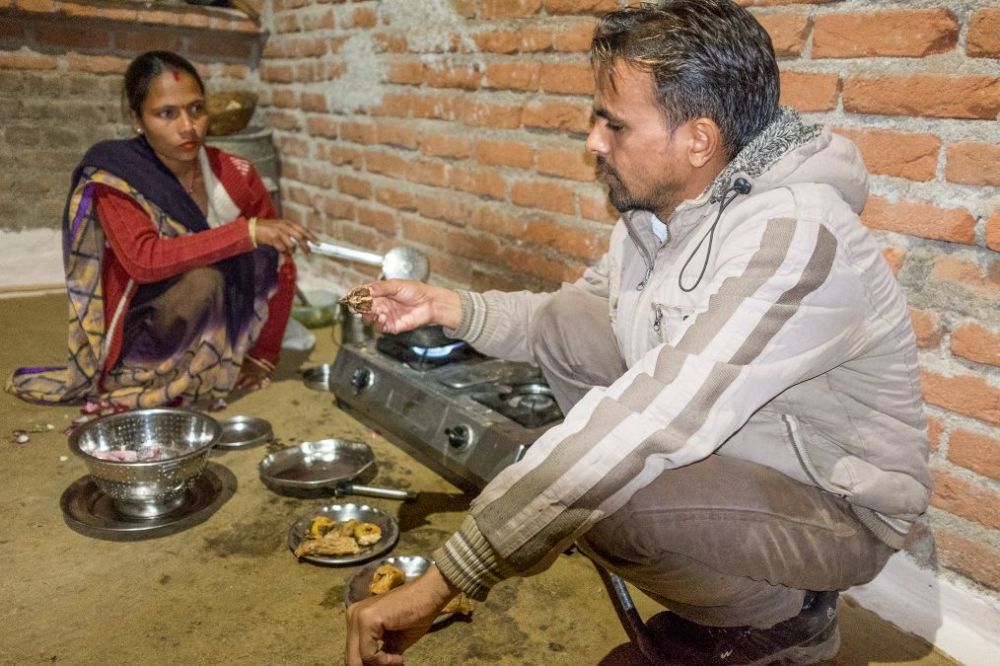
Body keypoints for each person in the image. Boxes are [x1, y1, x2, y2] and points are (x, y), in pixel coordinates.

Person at [345, 1, 932, 664]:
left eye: (614, 124)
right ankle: (721, 578)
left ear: (699, 140)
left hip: (834, 512)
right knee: (571, 330)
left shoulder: (795, 237)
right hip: (741, 460)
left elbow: (656, 418)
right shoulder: (661, 220)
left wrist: (452, 574)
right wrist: (449, 307)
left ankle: (788, 619)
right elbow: (556, 319)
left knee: (605, 493)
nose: (594, 141)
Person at [8, 51, 317, 410]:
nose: (188, 126)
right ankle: (151, 379)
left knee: (269, 250)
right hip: (145, 323)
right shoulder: (117, 173)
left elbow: (281, 258)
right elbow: (144, 260)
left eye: (196, 109)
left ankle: (218, 361)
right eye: (167, 113)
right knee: (206, 279)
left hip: (216, 321)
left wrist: (263, 356)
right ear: (137, 119)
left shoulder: (236, 173)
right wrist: (243, 231)